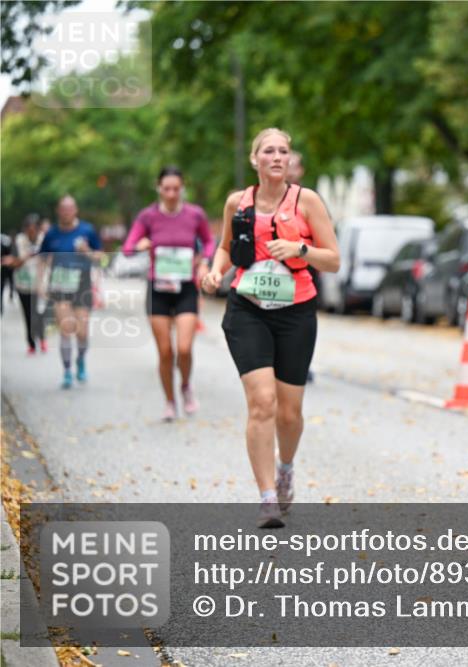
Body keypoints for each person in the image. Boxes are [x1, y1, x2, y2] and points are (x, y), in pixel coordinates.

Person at [202, 128, 340, 529]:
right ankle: (267, 498)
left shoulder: (306, 201)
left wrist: (300, 249)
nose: (277, 157)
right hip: (248, 309)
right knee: (262, 402)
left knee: (289, 412)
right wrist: (214, 272)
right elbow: (227, 248)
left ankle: (285, 468)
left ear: (289, 159)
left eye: (283, 151)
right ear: (254, 159)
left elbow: (333, 259)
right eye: (268, 151)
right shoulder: (237, 203)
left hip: (296, 311)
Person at [123, 166, 215, 421]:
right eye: (167, 189)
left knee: (184, 349)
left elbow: (208, 242)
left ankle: (185, 385)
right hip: (158, 289)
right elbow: (128, 247)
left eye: (176, 188)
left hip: (185, 287)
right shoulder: (147, 216)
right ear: (159, 188)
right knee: (165, 352)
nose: (172, 193)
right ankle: (170, 401)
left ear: (182, 188)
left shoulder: (195, 214)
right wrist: (139, 245)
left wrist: (205, 261)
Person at [39, 195, 103, 389]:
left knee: (82, 332)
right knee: (66, 329)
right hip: (59, 284)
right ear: (59, 211)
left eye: (70, 208)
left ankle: (81, 360)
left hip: (82, 284)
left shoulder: (87, 230)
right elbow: (43, 259)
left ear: (75, 210)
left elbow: (100, 257)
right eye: (63, 208)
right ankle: (67, 371)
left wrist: (87, 251)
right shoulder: (51, 234)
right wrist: (39, 284)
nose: (67, 212)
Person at [286, 150, 316, 384]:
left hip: (304, 269)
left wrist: (303, 250)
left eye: (294, 165)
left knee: (301, 320)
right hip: (271, 271)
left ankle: (301, 363)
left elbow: (325, 239)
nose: (290, 169)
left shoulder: (311, 199)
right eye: (288, 165)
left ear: (301, 170)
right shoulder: (261, 198)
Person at [6, 215, 48, 354]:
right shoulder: (18, 241)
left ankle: (42, 339)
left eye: (34, 229)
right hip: (22, 283)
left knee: (38, 313)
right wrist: (26, 257)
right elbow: (14, 263)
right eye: (28, 229)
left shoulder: (44, 239)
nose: (31, 232)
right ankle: (31, 343)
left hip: (39, 284)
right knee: (28, 315)